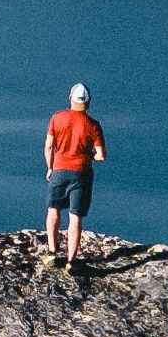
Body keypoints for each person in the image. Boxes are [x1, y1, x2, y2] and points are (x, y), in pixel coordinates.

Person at [41, 83, 105, 270]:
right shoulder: (93, 125)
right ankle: (72, 262)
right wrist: (88, 154)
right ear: (89, 102)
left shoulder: (57, 118)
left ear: (70, 98)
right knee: (75, 217)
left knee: (53, 210)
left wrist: (50, 167)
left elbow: (49, 146)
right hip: (82, 173)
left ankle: (52, 252)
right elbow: (101, 155)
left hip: (59, 170)